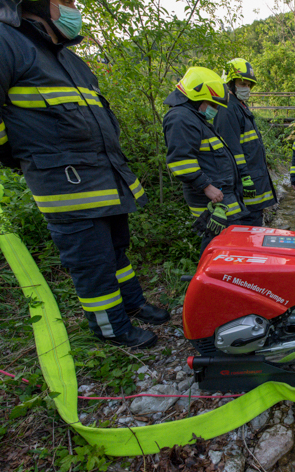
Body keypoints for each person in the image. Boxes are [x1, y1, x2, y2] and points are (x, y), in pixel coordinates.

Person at [0, 0, 169, 349]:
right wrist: (26, 156)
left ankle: (132, 303)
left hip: (105, 179)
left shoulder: (67, 58)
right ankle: (111, 328)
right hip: (68, 188)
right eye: (68, 2)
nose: (74, 9)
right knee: (92, 263)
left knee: (116, 253)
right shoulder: (8, 42)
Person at [162, 67, 248, 254]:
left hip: (222, 198)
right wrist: (206, 187)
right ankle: (209, 282)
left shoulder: (195, 118)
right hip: (212, 201)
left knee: (227, 249)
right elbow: (180, 161)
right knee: (218, 250)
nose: (215, 110)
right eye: (213, 104)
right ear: (196, 98)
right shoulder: (180, 119)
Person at [214, 58, 277, 227]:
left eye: (249, 85)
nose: (247, 88)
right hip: (244, 186)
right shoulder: (227, 110)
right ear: (230, 83)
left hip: (253, 182)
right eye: (242, 83)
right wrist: (245, 176)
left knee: (254, 225)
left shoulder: (240, 106)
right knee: (248, 229)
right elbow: (232, 149)